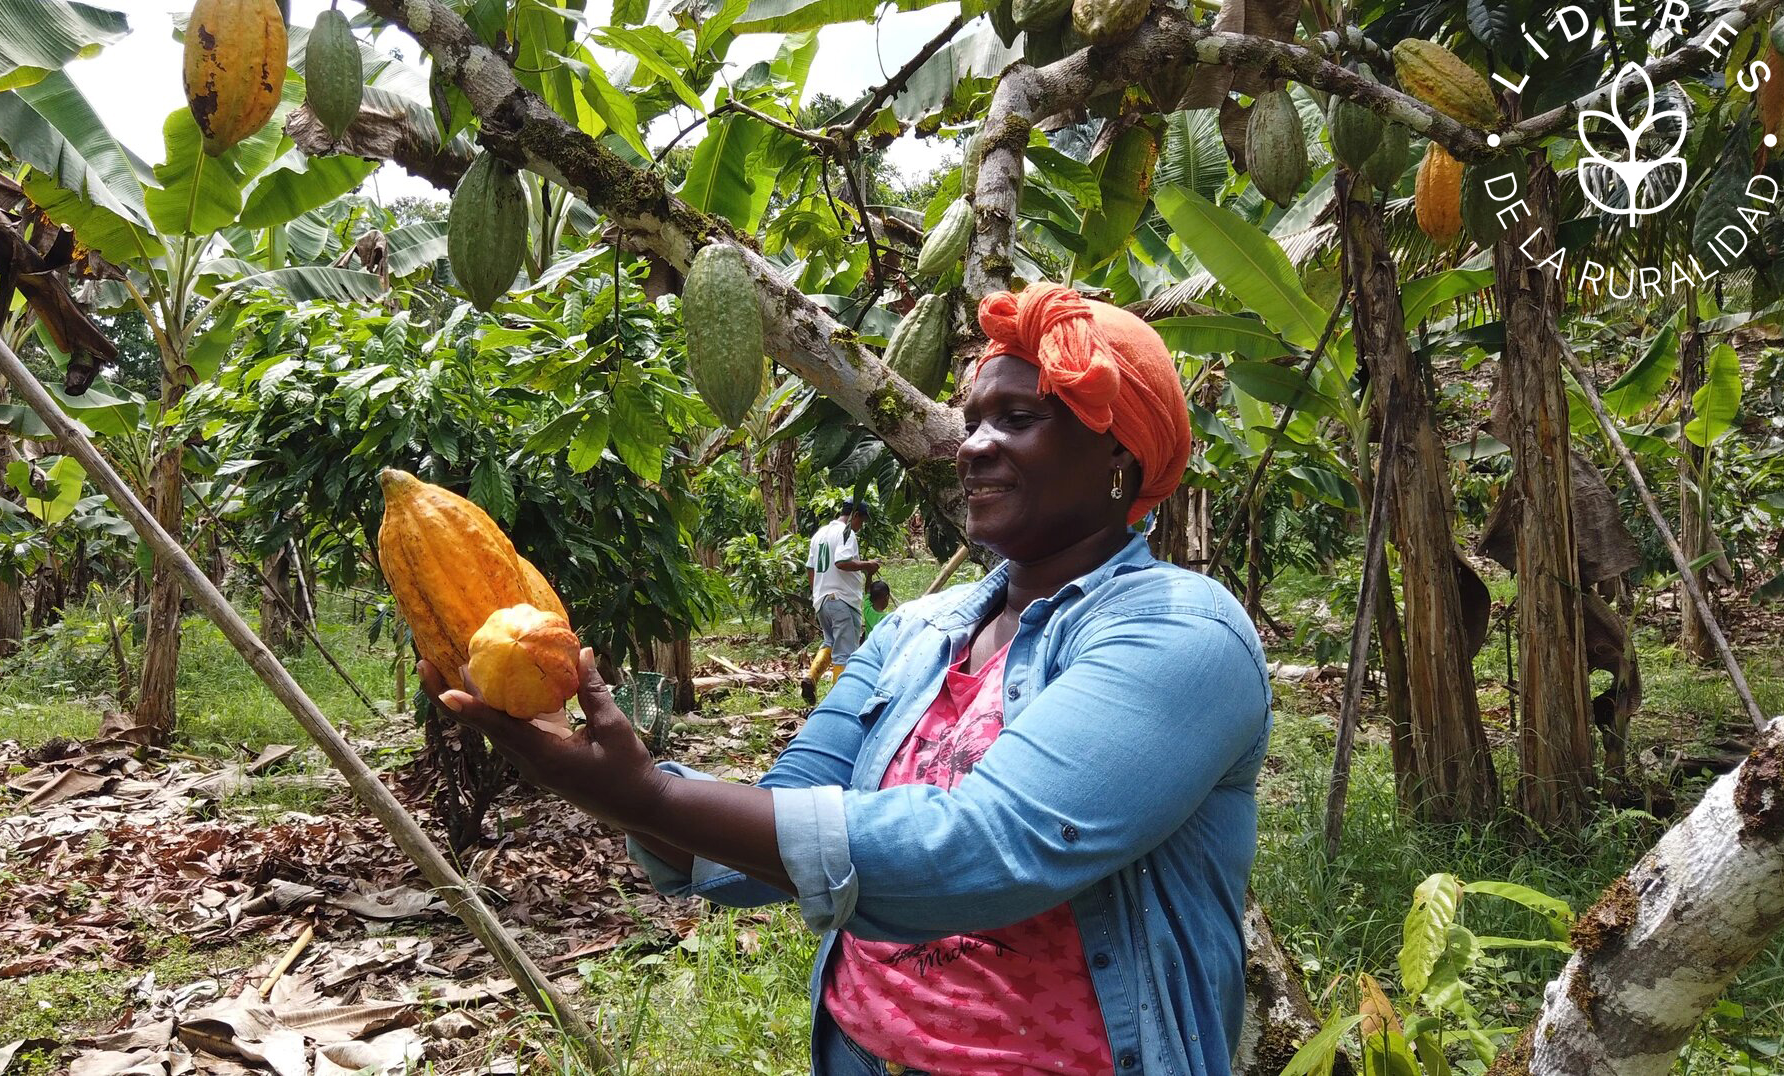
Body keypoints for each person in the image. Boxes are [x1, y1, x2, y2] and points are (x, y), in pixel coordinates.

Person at [425, 283, 1271, 1075]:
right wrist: (575, 760)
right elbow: (775, 828)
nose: (974, 446)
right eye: (973, 420)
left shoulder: (1181, 634)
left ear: (1119, 454)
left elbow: (986, 850)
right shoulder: (915, 633)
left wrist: (646, 796)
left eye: (1018, 418)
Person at [802, 500, 880, 705]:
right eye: (861, 521)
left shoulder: (820, 534)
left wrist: (817, 592)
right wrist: (868, 565)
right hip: (842, 600)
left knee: (830, 642)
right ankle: (838, 702)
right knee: (844, 653)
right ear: (855, 516)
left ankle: (811, 676)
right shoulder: (847, 533)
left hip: (822, 601)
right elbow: (841, 562)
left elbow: (810, 568)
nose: (860, 526)